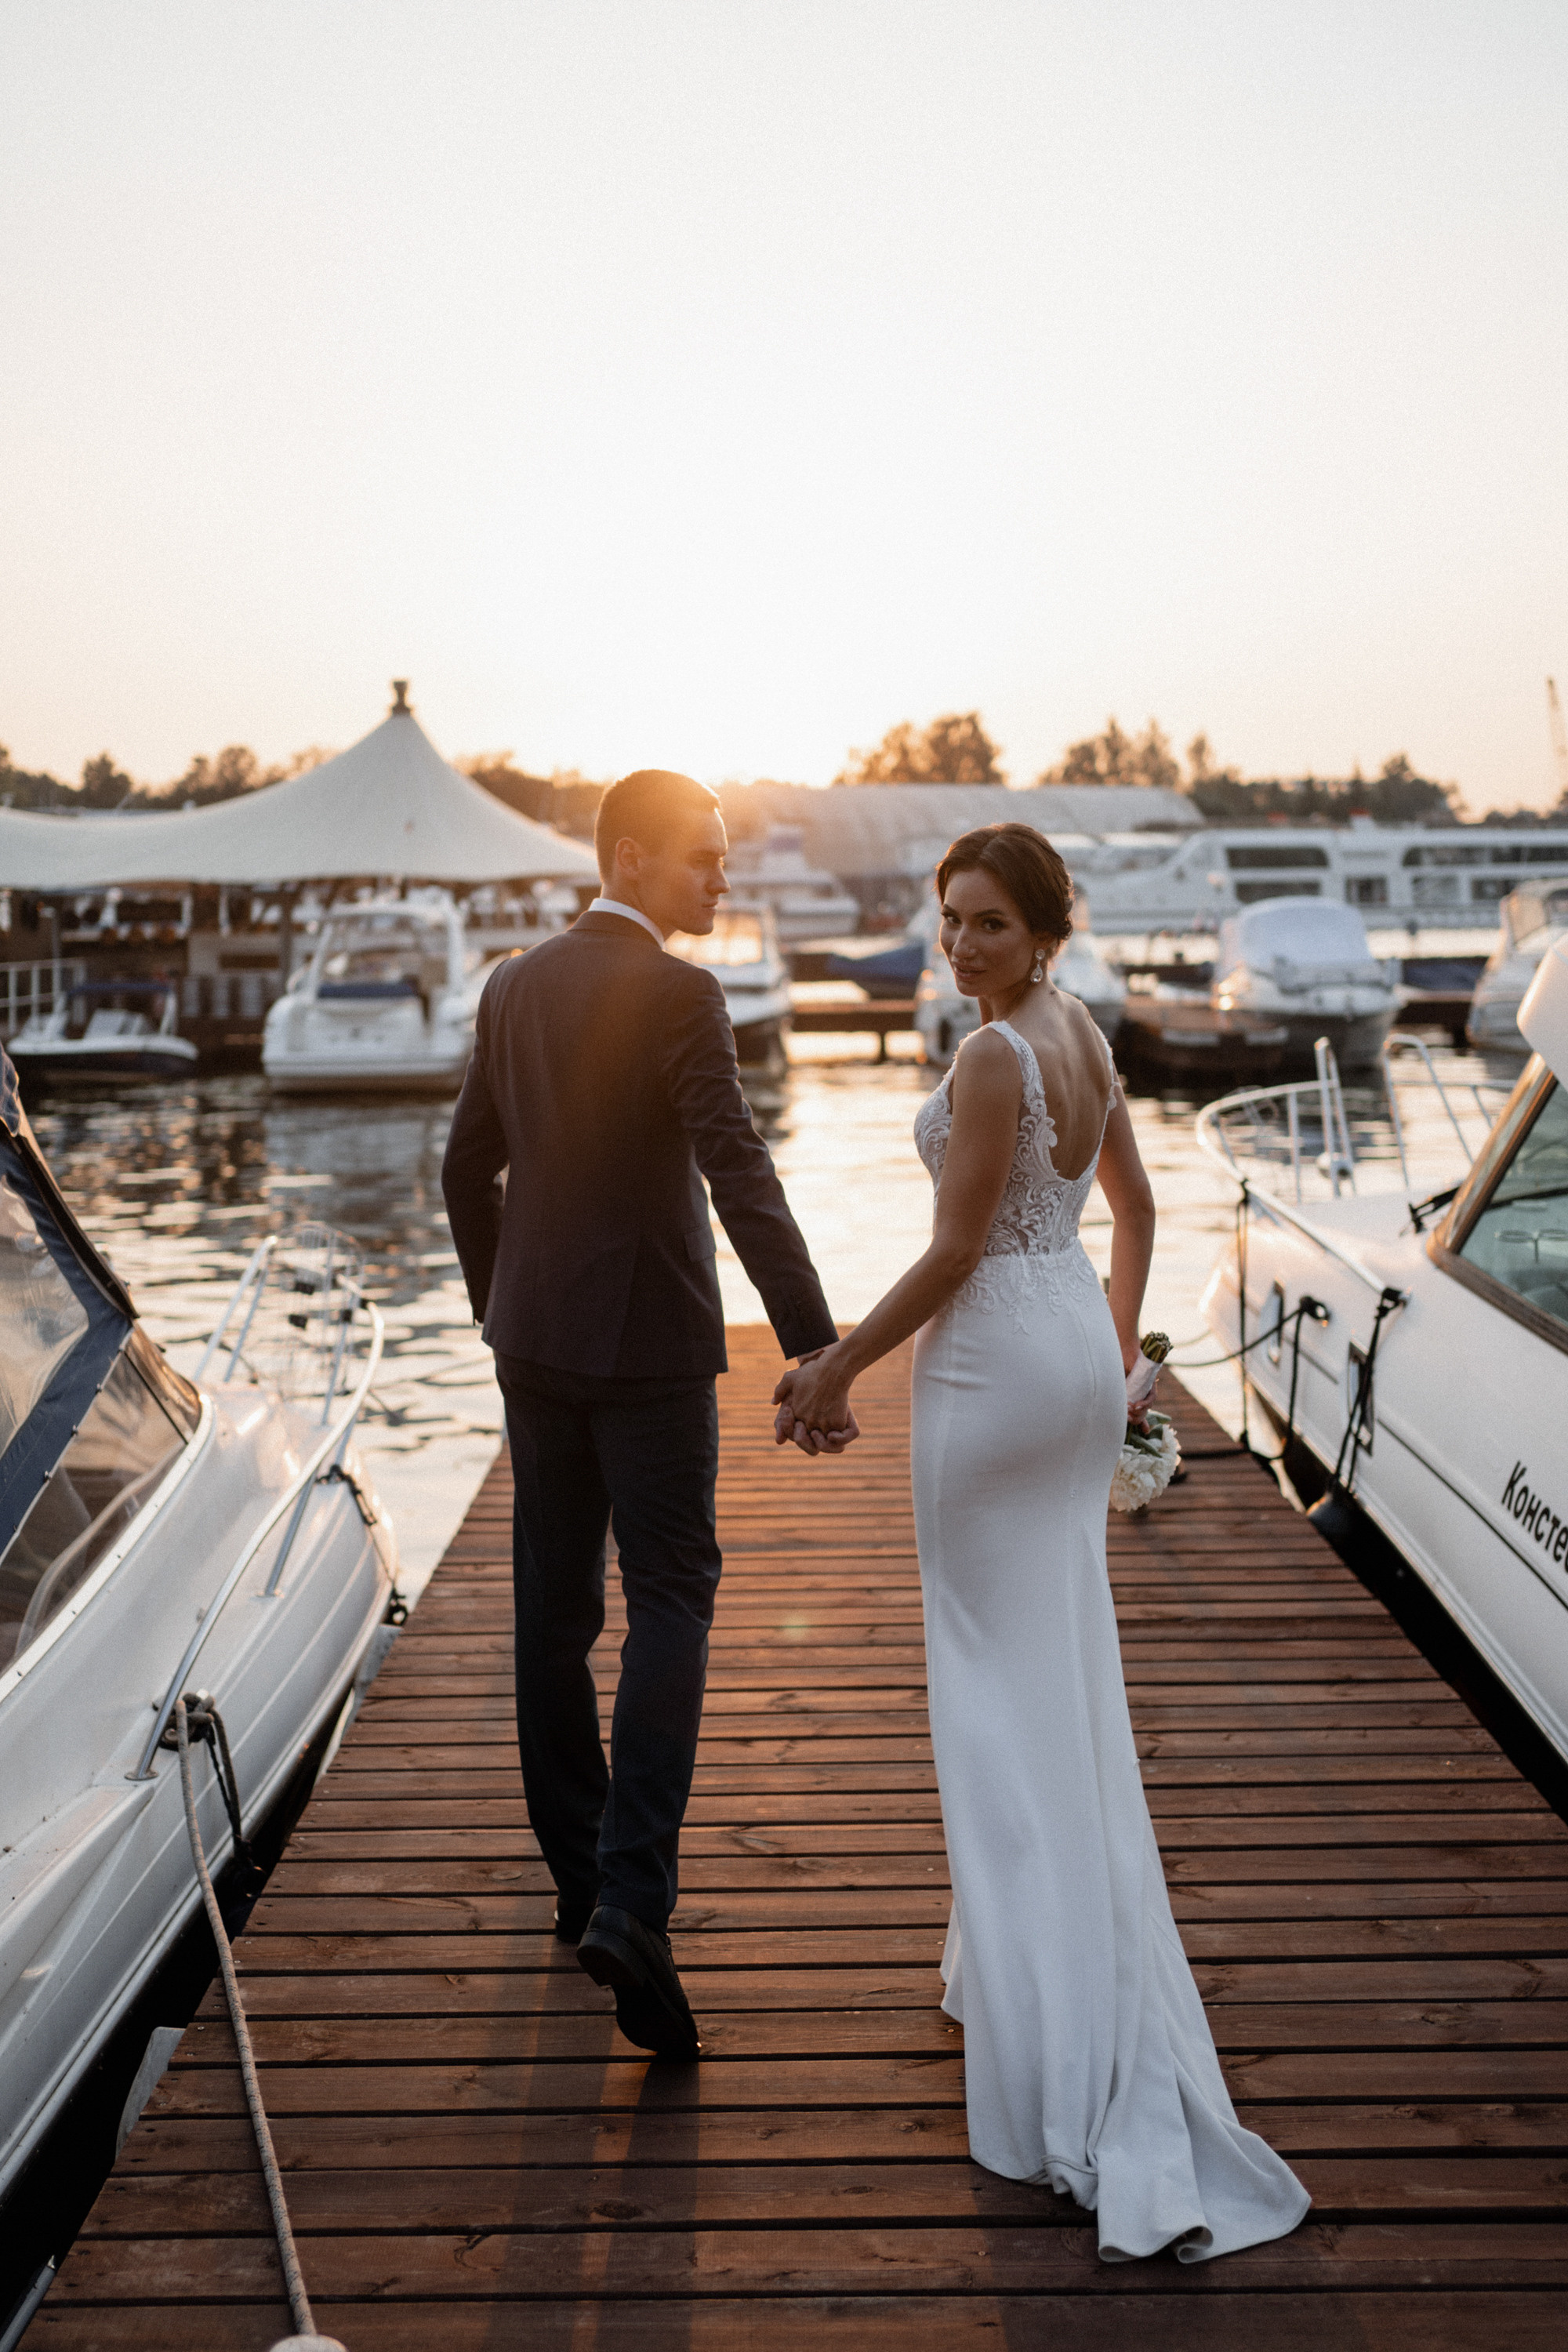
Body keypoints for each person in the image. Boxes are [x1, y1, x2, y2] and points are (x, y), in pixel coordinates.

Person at [773, 822, 1310, 2262]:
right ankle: (1005, 1960)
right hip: (1070, 1354)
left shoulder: (997, 1054)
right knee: (1058, 1682)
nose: (960, 944)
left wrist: (833, 1370)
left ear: (1044, 929)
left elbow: (955, 1250)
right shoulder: (1084, 1033)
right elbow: (1131, 1209)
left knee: (992, 1697)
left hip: (990, 1376)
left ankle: (1047, 2030)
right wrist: (1123, 1354)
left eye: (989, 924)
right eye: (949, 919)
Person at [442, 768, 854, 2062]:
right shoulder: (680, 993)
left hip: (536, 1347)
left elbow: (466, 1166)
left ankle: (582, 1886)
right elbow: (736, 1163)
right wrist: (816, 1344)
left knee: (554, 1617)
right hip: (655, 1356)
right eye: (699, 859)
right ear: (626, 860)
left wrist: (501, 1300)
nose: (721, 877)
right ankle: (629, 1899)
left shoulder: (511, 984)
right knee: (672, 1599)